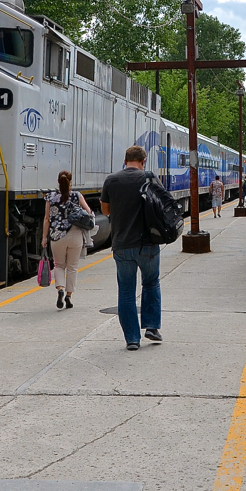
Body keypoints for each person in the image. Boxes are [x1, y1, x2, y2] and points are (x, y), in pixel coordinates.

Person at [101, 145, 166, 351]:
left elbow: (105, 209)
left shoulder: (111, 180)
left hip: (122, 243)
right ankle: (152, 327)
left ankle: (132, 339)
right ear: (143, 161)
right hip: (147, 243)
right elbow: (163, 204)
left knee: (127, 292)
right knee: (151, 283)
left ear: (125, 159)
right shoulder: (149, 177)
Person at [42, 170, 92, 310]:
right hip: (75, 234)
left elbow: (46, 219)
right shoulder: (77, 195)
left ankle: (60, 290)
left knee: (58, 265)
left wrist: (44, 238)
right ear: (71, 182)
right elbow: (88, 212)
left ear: (58, 181)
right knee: (72, 267)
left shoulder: (50, 197)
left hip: (57, 235)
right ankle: (69, 296)